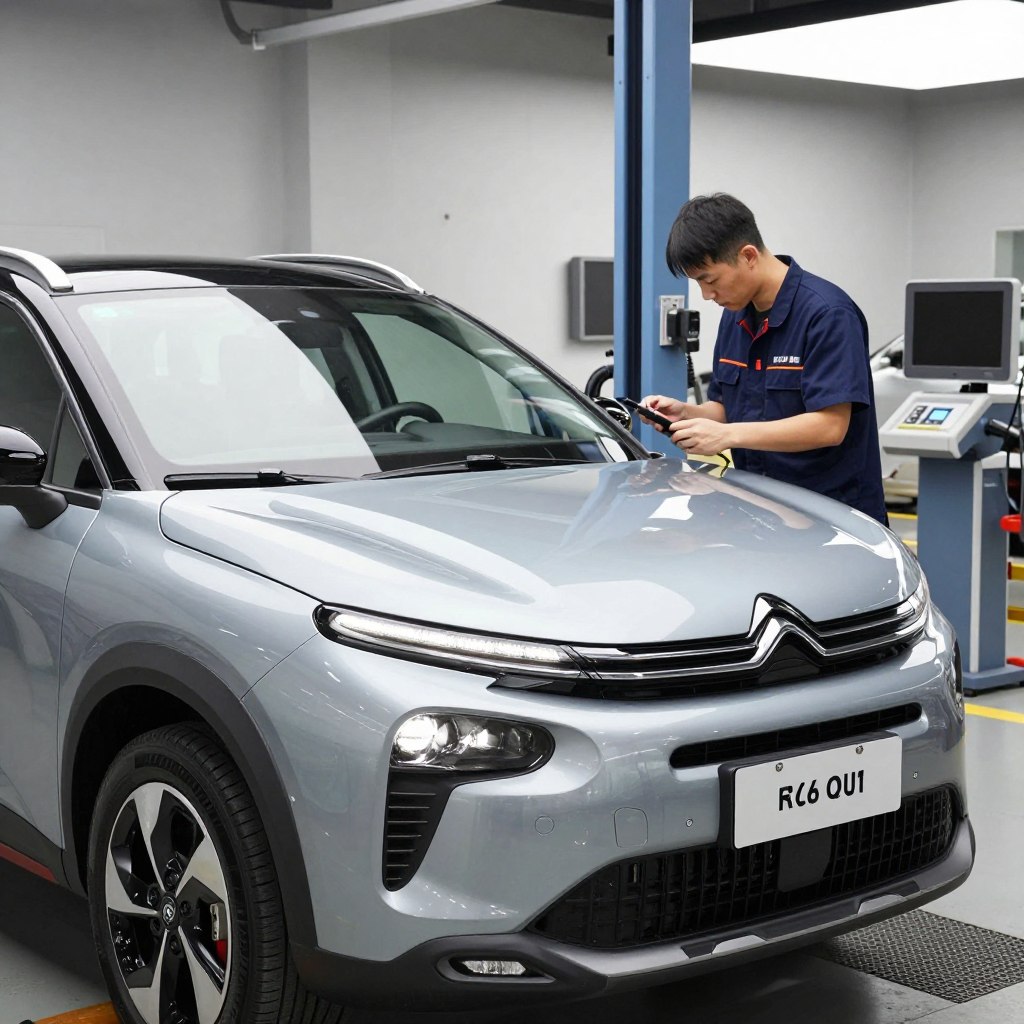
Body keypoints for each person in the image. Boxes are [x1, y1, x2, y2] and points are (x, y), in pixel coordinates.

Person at [642, 192, 888, 525]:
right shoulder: (736, 316)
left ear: (748, 255)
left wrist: (728, 437)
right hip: (759, 510)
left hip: (831, 517)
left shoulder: (828, 315)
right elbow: (730, 408)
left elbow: (830, 426)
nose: (706, 295)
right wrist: (687, 413)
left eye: (710, 279)